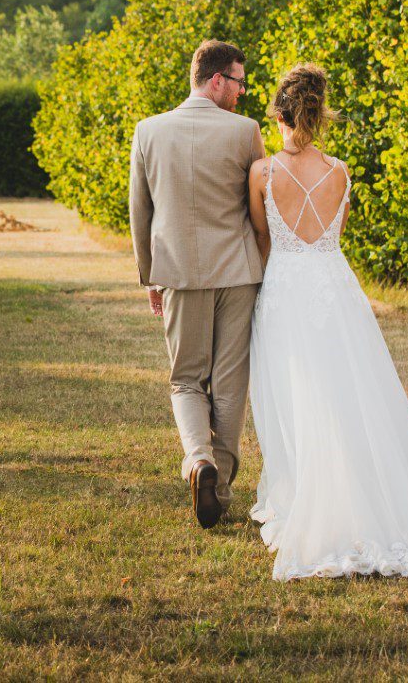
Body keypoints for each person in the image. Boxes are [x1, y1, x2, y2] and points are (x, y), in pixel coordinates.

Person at [246, 63, 408, 578]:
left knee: (295, 394)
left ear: (278, 114)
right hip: (335, 288)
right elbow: (334, 233)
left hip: (285, 290)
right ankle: (369, 497)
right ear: (320, 115)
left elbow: (262, 235)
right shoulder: (341, 172)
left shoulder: (262, 173)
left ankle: (306, 499)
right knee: (351, 392)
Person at [129, 39, 265, 529]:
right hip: (238, 273)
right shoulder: (247, 132)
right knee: (230, 384)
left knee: (186, 378)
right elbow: (260, 206)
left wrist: (150, 275)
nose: (242, 93)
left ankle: (198, 461)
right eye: (239, 82)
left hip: (178, 272)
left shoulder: (148, 131)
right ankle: (219, 487)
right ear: (216, 80)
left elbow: (140, 211)